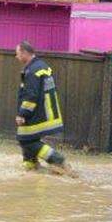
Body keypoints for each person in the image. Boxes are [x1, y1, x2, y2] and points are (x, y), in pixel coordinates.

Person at [14, 41, 67, 172]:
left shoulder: (32, 71)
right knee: (29, 139)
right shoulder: (41, 66)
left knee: (26, 140)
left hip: (38, 112)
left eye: (18, 54)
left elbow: (31, 96)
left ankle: (56, 159)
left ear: (25, 53)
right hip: (47, 111)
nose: (16, 57)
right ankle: (31, 167)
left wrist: (22, 114)